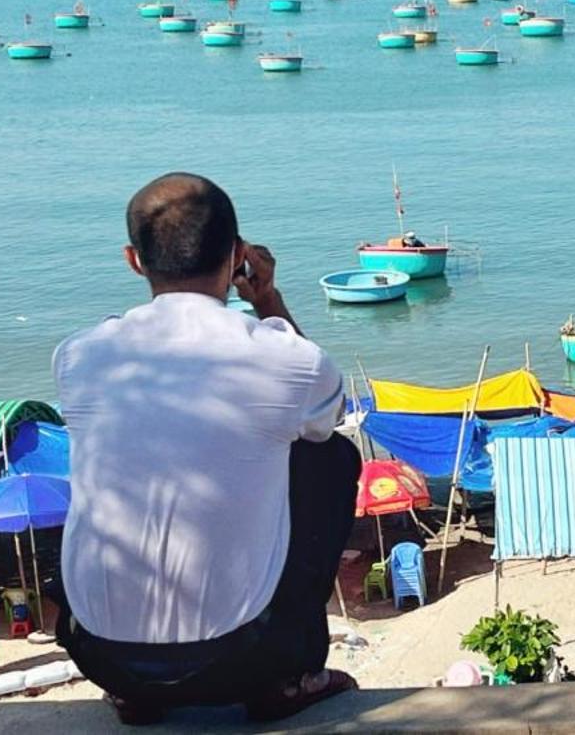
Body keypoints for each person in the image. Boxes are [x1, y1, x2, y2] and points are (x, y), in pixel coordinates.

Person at [55, 172, 361, 726]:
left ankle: (138, 694)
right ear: (238, 255)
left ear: (133, 260)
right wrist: (267, 299)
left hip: (100, 656)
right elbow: (328, 413)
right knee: (330, 455)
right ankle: (287, 681)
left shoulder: (79, 356)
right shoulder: (283, 359)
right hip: (245, 659)